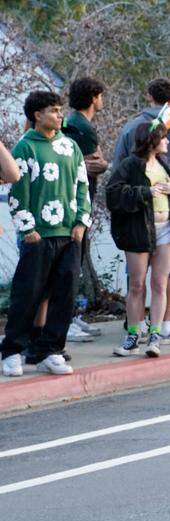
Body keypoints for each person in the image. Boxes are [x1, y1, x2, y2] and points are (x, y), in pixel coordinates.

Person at [2, 91, 90, 377]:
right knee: (27, 294)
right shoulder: (24, 148)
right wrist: (27, 227)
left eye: (59, 109)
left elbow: (82, 185)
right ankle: (13, 351)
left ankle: (49, 351)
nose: (59, 114)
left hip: (70, 234)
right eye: (53, 110)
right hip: (39, 235)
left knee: (64, 295)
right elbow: (17, 191)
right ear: (37, 115)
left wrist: (81, 223)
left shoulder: (71, 147)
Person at [112, 77, 170, 342]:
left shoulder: (131, 128)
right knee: (169, 275)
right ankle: (163, 325)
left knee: (136, 277)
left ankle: (135, 326)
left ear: (149, 96)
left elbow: (118, 170)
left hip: (137, 217)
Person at [106, 120, 170, 357]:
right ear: (152, 141)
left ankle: (156, 335)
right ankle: (133, 335)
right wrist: (145, 192)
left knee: (160, 283)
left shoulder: (166, 164)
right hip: (139, 231)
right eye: (163, 137)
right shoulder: (130, 165)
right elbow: (113, 194)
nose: (167, 141)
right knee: (137, 284)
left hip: (166, 230)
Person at [61, 77, 109, 342]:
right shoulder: (82, 127)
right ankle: (64, 321)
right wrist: (98, 165)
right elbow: (98, 163)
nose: (103, 101)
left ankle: (70, 316)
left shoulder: (72, 123)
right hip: (78, 206)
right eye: (101, 95)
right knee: (72, 263)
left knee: (75, 261)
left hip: (78, 205)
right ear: (94, 97)